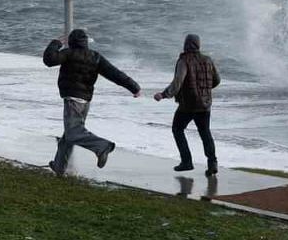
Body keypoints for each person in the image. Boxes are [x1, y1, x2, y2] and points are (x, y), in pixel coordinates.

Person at [43, 28, 141, 176]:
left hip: (72, 100)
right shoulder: (95, 57)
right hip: (85, 102)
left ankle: (102, 146)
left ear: (71, 42)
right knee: (69, 135)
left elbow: (49, 60)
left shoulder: (69, 53)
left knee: (73, 133)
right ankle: (59, 166)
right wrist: (134, 87)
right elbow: (115, 74)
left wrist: (56, 42)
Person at [154, 33, 220, 176]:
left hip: (188, 105)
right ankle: (212, 163)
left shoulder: (184, 61)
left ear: (186, 44)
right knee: (205, 132)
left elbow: (178, 83)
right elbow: (216, 80)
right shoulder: (208, 60)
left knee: (177, 129)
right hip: (205, 104)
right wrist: (205, 90)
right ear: (198, 44)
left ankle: (186, 161)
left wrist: (164, 94)